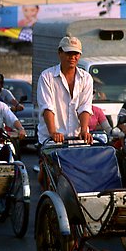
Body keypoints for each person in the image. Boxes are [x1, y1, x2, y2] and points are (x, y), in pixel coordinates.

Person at [36, 36, 94, 189]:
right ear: (60, 53)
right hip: (51, 139)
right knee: (49, 180)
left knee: (80, 180)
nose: (72, 57)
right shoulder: (47, 76)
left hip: (77, 139)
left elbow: (85, 107)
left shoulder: (86, 78)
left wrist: (84, 130)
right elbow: (47, 107)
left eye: (76, 54)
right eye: (69, 53)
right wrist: (53, 132)